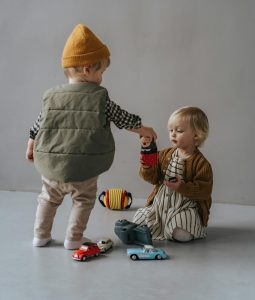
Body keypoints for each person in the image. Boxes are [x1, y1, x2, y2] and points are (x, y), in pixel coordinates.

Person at [25, 24, 157, 250]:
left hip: (52, 165)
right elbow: (122, 118)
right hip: (84, 168)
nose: (102, 78)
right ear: (87, 69)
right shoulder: (99, 97)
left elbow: (39, 124)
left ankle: (40, 236)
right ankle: (74, 238)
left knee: (48, 198)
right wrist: (143, 129)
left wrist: (30, 146)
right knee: (83, 200)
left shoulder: (51, 96)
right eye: (101, 72)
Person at [133, 106, 213, 242]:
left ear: (196, 135)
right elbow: (152, 178)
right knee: (138, 218)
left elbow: (204, 191)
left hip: (184, 207)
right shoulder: (164, 154)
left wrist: (182, 186)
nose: (173, 134)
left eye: (179, 130)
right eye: (171, 130)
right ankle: (159, 226)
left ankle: (175, 227)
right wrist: (147, 166)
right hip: (160, 206)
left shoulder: (201, 163)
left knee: (181, 232)